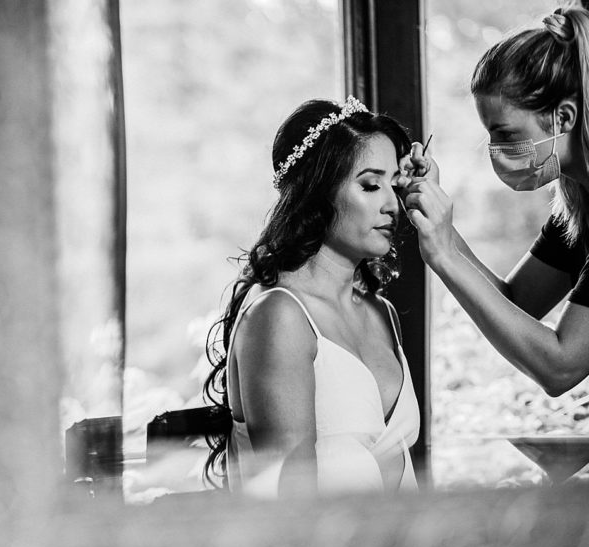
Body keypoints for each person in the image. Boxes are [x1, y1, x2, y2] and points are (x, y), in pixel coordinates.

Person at [202, 97, 418, 497]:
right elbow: (290, 509)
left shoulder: (381, 313)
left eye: (395, 184)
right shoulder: (280, 316)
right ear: (318, 193)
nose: (392, 204)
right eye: (371, 185)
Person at [400, 5, 589, 399]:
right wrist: (438, 224)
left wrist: (445, 257)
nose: (497, 150)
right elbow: (517, 304)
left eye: (505, 133)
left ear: (564, 117)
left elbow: (561, 366)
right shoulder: (577, 206)